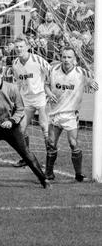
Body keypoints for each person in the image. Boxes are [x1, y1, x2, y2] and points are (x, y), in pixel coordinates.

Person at [45, 47, 98, 182]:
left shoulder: (81, 72)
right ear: (60, 57)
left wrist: (92, 83)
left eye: (69, 57)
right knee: (51, 143)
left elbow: (93, 82)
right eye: (64, 57)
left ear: (74, 59)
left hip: (70, 114)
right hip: (55, 113)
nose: (66, 60)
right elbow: (46, 85)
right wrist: (49, 93)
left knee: (73, 143)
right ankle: (49, 173)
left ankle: (78, 174)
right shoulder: (53, 70)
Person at [11, 36, 55, 168]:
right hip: (26, 100)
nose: (19, 49)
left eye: (21, 46)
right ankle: (26, 158)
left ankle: (49, 163)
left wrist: (49, 90)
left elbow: (52, 73)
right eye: (17, 47)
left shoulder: (37, 60)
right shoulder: (15, 64)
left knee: (44, 128)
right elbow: (18, 83)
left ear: (27, 47)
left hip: (41, 98)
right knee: (21, 129)